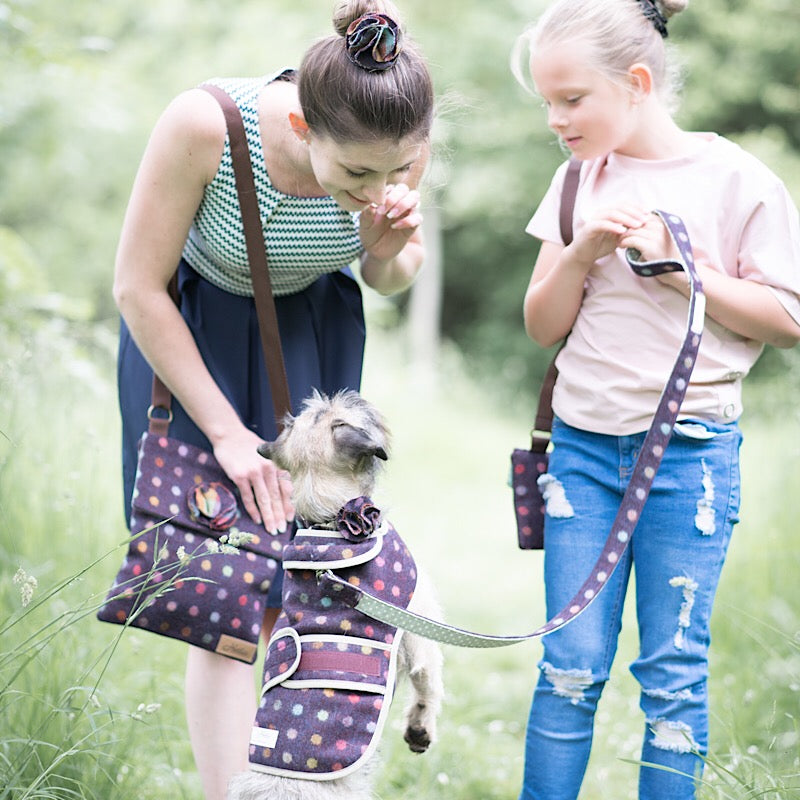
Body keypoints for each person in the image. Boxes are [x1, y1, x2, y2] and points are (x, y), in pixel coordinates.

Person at [111, 2, 434, 797]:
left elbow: (392, 275)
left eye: (395, 172)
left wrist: (388, 249)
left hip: (310, 338)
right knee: (225, 598)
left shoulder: (395, 140)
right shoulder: (206, 126)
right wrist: (226, 434)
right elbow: (137, 286)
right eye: (356, 176)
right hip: (195, 342)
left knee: (303, 582)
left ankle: (291, 780)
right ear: (300, 123)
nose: (377, 188)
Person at [510, 1, 800, 798]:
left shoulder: (738, 180)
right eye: (547, 101)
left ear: (636, 82)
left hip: (691, 458)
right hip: (582, 454)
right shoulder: (576, 181)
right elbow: (541, 325)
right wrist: (581, 252)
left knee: (673, 674)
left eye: (572, 99)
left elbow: (787, 318)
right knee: (568, 665)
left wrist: (681, 268)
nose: (555, 120)